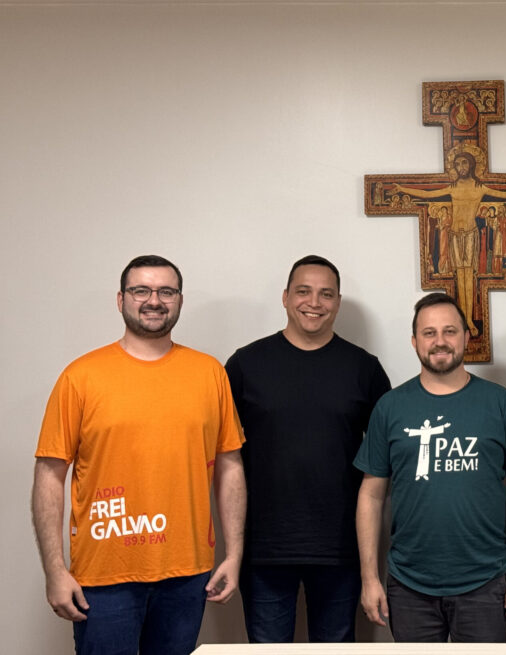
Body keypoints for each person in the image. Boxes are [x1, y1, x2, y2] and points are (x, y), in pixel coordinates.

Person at [31, 255, 246, 655]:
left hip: (187, 573)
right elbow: (49, 473)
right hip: (104, 575)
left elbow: (230, 466)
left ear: (179, 300)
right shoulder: (81, 376)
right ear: (121, 300)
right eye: (141, 290)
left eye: (166, 291)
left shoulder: (209, 373)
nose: (154, 300)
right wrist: (55, 569)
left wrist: (234, 554)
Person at [224, 255, 391, 643]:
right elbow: (221, 453)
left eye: (326, 294)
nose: (314, 302)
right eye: (303, 291)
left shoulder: (364, 368)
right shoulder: (246, 364)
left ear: (338, 302)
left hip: (341, 546)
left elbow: (385, 458)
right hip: (264, 547)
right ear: (285, 297)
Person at [354, 293, 506, 642]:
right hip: (409, 584)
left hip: (485, 581)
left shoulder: (500, 404)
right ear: (414, 341)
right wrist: (369, 578)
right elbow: (371, 496)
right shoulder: (390, 407)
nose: (440, 341)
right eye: (429, 332)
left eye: (450, 331)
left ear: (466, 337)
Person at [391, 150, 506, 335]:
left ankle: (470, 321)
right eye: (457, 164)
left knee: (469, 280)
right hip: (454, 236)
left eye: (464, 163)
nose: (461, 167)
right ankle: (463, 321)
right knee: (460, 278)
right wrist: (402, 189)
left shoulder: (479, 188)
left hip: (471, 235)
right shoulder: (453, 187)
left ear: (471, 165)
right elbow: (426, 194)